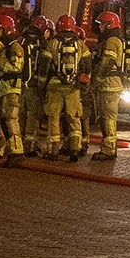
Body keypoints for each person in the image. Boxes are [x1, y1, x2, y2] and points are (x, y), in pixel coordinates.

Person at [89, 10, 130, 162]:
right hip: (111, 84)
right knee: (107, 117)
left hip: (109, 84)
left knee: (107, 118)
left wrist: (97, 81)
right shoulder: (113, 39)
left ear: (109, 24)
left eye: (102, 24)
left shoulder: (112, 41)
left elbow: (107, 63)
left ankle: (108, 150)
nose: (100, 27)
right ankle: (110, 147)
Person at [0, 14, 27, 168]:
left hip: (11, 90)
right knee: (1, 120)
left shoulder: (15, 47)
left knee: (10, 120)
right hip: (2, 90)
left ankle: (17, 152)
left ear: (7, 30)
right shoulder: (6, 47)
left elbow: (15, 68)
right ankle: (2, 148)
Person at [43, 18, 86, 161]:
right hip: (73, 86)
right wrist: (83, 83)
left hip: (55, 85)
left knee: (53, 117)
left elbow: (45, 66)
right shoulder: (80, 44)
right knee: (74, 118)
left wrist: (41, 85)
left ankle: (53, 150)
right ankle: (75, 149)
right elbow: (87, 65)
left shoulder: (53, 43)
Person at [19, 15, 52, 162]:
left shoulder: (21, 40)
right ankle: (30, 146)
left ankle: (17, 145)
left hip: (18, 85)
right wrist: (42, 87)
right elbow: (45, 67)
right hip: (34, 87)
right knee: (33, 116)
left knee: (20, 116)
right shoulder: (43, 44)